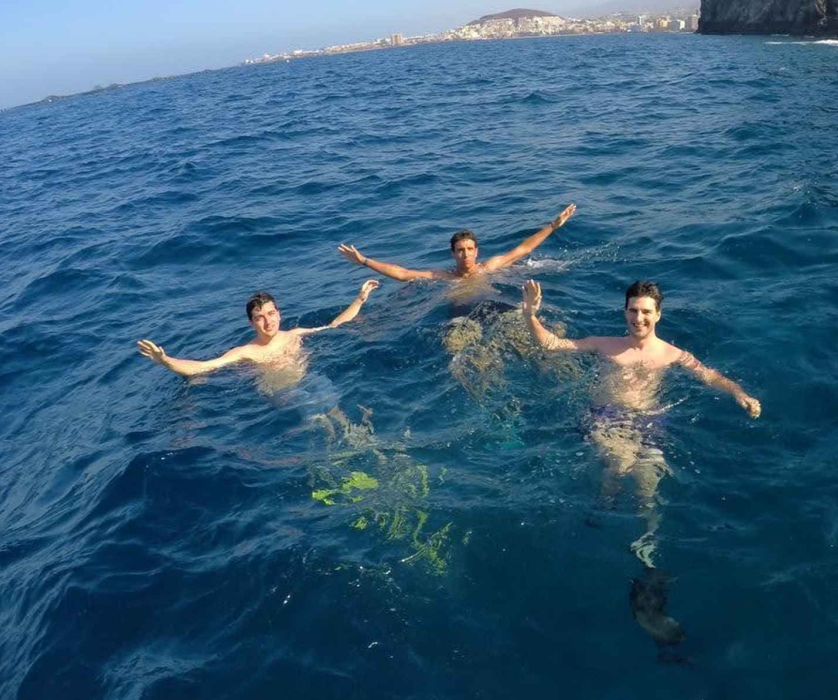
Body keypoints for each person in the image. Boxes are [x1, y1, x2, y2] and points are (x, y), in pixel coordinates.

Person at [520, 278, 760, 569]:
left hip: (649, 420)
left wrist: (739, 393)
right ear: (625, 312)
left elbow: (709, 376)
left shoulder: (673, 354)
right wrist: (530, 314)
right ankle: (602, 510)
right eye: (633, 311)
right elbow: (552, 344)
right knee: (621, 462)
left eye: (646, 312)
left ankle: (647, 540)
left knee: (648, 482)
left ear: (658, 314)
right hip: (606, 417)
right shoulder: (604, 345)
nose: (639, 318)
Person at [136, 279, 379, 384]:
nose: (267, 321)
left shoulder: (295, 334)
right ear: (251, 323)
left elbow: (335, 325)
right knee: (319, 423)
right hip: (284, 395)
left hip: (311, 381)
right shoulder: (245, 352)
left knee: (338, 417)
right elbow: (202, 367)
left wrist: (359, 299)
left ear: (279, 314)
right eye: (259, 317)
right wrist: (166, 361)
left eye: (271, 314)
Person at [337, 203, 577, 283]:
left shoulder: (490, 267)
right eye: (460, 250)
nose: (466, 254)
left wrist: (553, 225)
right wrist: (364, 261)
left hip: (493, 304)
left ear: (477, 251)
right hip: (461, 314)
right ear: (453, 254)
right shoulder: (443, 276)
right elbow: (403, 274)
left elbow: (524, 249)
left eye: (470, 249)